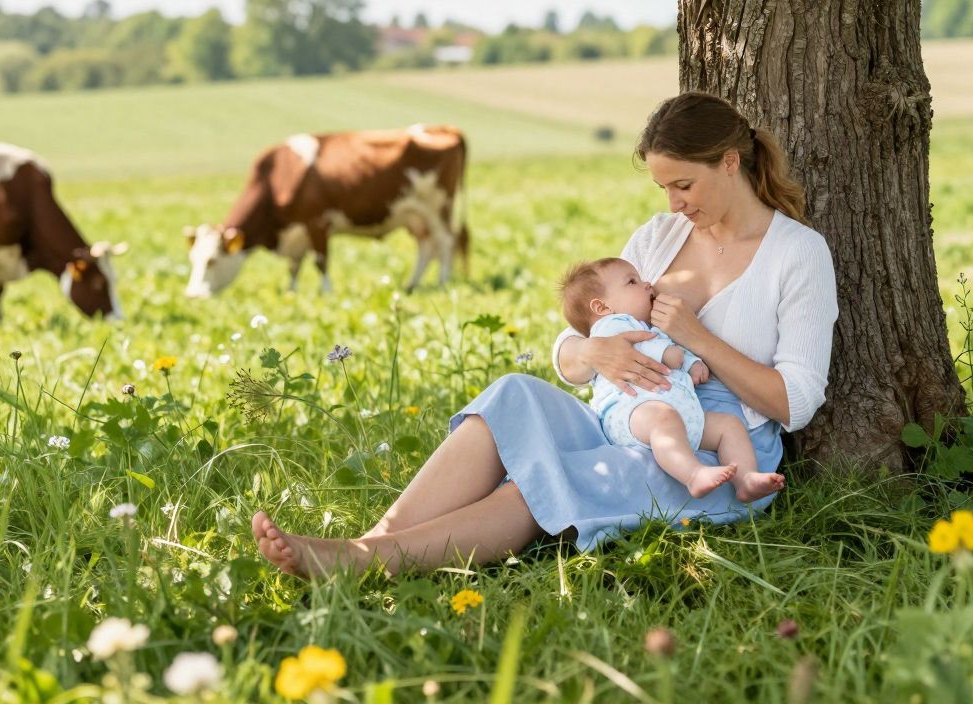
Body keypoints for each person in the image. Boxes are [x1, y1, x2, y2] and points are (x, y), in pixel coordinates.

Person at [252, 91, 836, 578]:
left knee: (555, 477)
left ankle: (366, 564)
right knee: (511, 394)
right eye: (664, 189)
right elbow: (575, 341)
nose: (674, 203)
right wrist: (591, 349)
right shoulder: (658, 237)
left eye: (683, 185)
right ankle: (375, 537)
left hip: (715, 452)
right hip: (625, 418)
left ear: (731, 162)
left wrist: (698, 339)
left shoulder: (796, 253)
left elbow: (797, 403)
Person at [559, 256, 785, 501]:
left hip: (678, 413)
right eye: (632, 282)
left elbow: (665, 343)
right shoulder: (610, 328)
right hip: (634, 413)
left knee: (729, 426)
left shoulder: (646, 327)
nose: (647, 284)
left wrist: (692, 363)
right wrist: (673, 355)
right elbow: (652, 349)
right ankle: (693, 475)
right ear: (602, 308)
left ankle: (747, 479)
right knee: (664, 420)